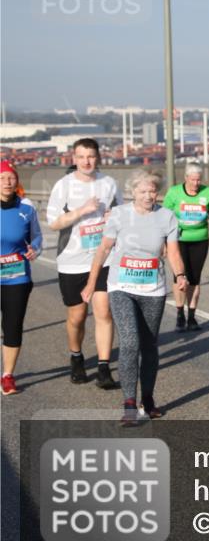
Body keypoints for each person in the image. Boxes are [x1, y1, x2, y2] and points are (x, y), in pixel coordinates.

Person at [82, 169, 187, 426]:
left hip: (153, 289)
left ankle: (147, 400)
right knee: (129, 341)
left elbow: (172, 251)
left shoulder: (167, 217)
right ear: (132, 193)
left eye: (152, 190)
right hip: (121, 286)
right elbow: (104, 248)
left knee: (149, 346)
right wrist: (91, 282)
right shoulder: (119, 215)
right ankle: (129, 403)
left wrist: (181, 275)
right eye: (142, 191)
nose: (148, 195)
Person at [46, 138, 122, 388]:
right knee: (77, 316)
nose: (87, 161)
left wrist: (115, 216)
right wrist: (81, 210)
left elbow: (122, 214)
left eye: (91, 156)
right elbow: (54, 222)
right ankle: (76, 357)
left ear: (98, 157)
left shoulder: (108, 183)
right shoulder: (64, 186)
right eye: (81, 157)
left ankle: (103, 368)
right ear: (74, 159)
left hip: (103, 258)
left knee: (104, 311)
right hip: (72, 260)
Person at [162, 163, 209, 332]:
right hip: (178, 239)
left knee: (195, 278)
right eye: (193, 180)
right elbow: (163, 218)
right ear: (186, 178)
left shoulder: (207, 192)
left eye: (199, 180)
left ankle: (192, 317)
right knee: (180, 276)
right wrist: (163, 242)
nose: (196, 183)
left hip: (200, 240)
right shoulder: (174, 193)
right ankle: (180, 314)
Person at [1, 161, 43, 395]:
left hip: (17, 277)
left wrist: (34, 249)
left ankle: (7, 375)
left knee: (13, 326)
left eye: (11, 178)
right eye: (2, 178)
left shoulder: (26, 209)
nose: (7, 182)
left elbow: (36, 238)